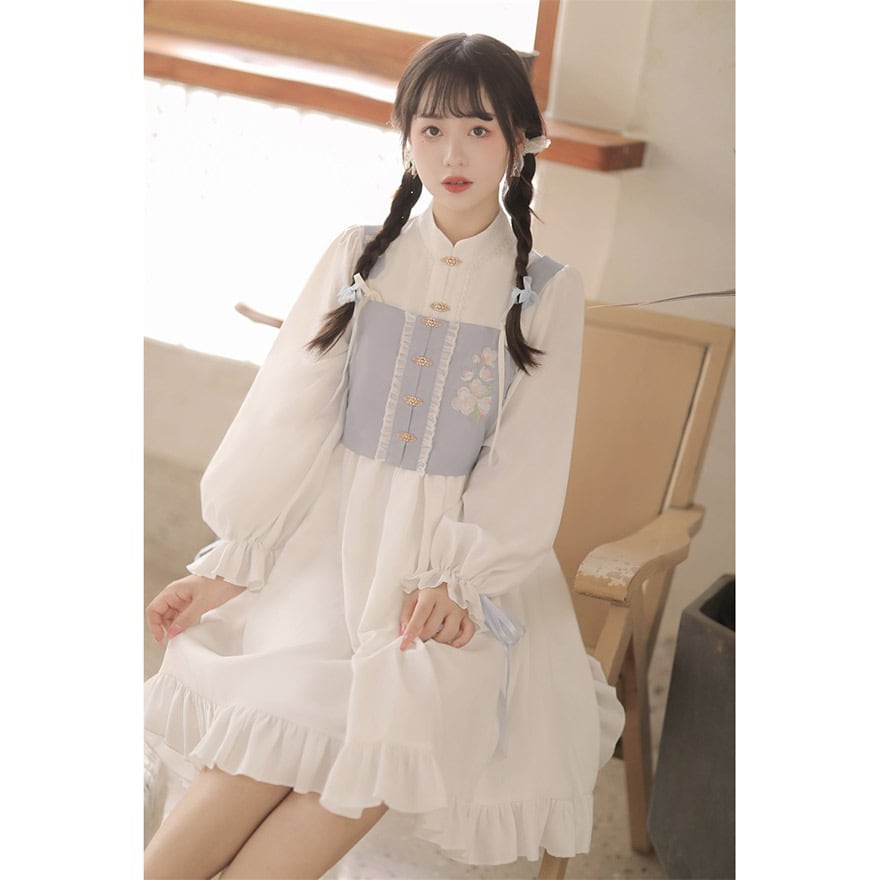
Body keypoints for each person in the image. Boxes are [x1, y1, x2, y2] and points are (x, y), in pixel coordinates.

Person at [144, 32, 625, 880]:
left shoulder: (548, 291)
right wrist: (237, 560)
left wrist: (458, 581)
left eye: (478, 130)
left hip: (444, 582)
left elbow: (527, 455)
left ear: (519, 140)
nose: (453, 154)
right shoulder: (358, 257)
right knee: (275, 727)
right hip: (328, 557)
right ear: (405, 137)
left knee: (383, 729)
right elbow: (291, 417)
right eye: (432, 129)